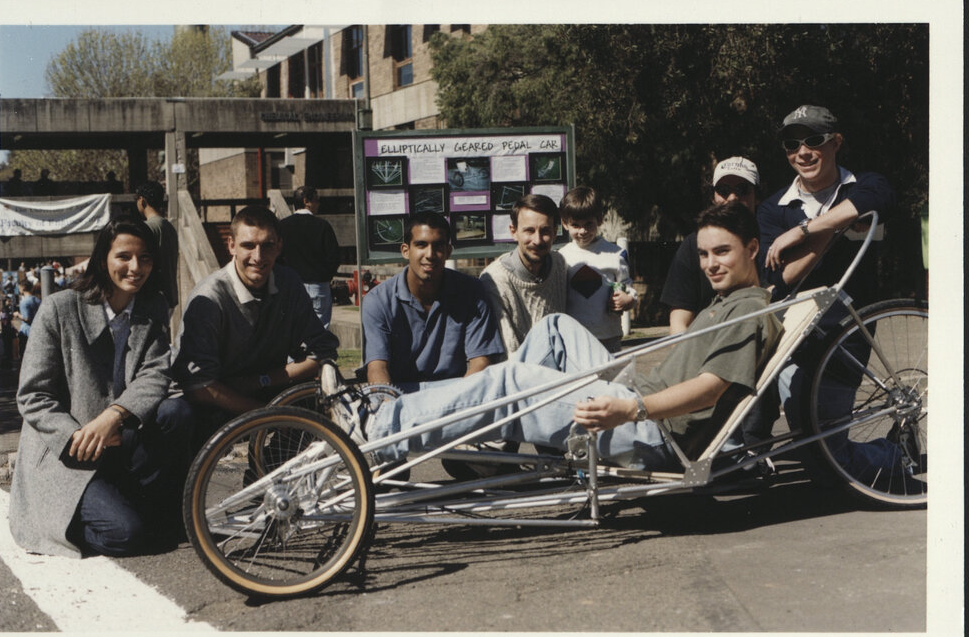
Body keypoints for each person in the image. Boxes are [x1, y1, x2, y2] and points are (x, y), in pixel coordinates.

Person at [325, 201, 783, 471]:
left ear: (752, 249)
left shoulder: (748, 310)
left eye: (722, 252)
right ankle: (497, 426)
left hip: (650, 431)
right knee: (555, 328)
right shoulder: (729, 300)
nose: (710, 264)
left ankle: (376, 426)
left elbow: (710, 391)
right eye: (704, 254)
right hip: (633, 399)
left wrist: (629, 407)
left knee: (509, 380)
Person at [9, 216, 193, 558]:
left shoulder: (152, 307)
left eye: (145, 258)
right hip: (68, 452)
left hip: (119, 437)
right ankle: (64, 520)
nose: (135, 267)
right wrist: (79, 436)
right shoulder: (59, 309)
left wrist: (115, 414)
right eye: (124, 256)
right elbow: (33, 396)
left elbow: (155, 373)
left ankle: (152, 507)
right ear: (103, 259)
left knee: (176, 411)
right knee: (126, 536)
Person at [758, 105, 899, 476]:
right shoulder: (774, 208)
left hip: (846, 333)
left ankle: (895, 455)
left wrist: (802, 232)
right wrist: (827, 232)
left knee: (827, 460)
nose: (802, 152)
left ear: (836, 143)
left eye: (813, 141)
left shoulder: (864, 184)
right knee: (811, 442)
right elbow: (780, 277)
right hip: (793, 337)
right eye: (791, 145)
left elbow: (877, 199)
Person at [173, 205, 339, 448]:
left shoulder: (289, 283)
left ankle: (270, 476)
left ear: (279, 246)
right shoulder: (210, 298)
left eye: (267, 246)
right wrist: (267, 415)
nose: (258, 257)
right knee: (177, 415)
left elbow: (324, 351)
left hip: (262, 387)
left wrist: (262, 381)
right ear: (231, 246)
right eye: (248, 246)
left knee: (319, 394)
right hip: (215, 397)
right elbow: (199, 387)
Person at [360, 211, 504, 392]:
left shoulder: (472, 292)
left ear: (448, 251)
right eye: (421, 245)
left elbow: (481, 361)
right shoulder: (378, 300)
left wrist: (453, 403)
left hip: (456, 390)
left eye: (438, 246)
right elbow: (377, 367)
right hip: (400, 393)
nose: (430, 254)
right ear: (405, 250)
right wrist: (388, 403)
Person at [662, 156, 761, 335]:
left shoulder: (772, 240)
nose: (732, 197)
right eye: (723, 190)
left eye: (742, 189)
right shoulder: (693, 245)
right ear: (714, 197)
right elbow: (679, 321)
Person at [480, 194, 567, 352]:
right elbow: (509, 351)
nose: (537, 240)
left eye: (545, 231)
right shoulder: (495, 280)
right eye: (529, 231)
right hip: (520, 370)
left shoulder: (560, 264)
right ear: (514, 231)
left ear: (555, 232)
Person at [558, 186, 637, 352]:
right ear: (565, 224)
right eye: (575, 225)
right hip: (574, 337)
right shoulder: (561, 257)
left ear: (600, 220)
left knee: (610, 375)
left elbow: (627, 287)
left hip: (608, 336)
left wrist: (628, 300)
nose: (582, 231)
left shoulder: (615, 254)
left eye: (588, 224)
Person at [277, 186, 340, 328]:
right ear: (307, 201)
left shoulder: (282, 226)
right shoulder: (323, 226)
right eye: (317, 200)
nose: (319, 204)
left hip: (291, 284)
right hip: (318, 284)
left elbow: (276, 256)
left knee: (293, 327)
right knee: (319, 328)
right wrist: (325, 277)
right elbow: (334, 256)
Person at [135, 181, 179, 311]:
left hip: (154, 298)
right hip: (169, 295)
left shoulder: (148, 228)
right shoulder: (169, 226)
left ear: (142, 201)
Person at [14, 280, 41, 356]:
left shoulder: (24, 302)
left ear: (23, 288)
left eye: (19, 287)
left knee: (24, 354)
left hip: (26, 330)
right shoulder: (38, 300)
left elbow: (27, 318)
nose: (19, 289)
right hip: (36, 330)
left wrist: (18, 314)